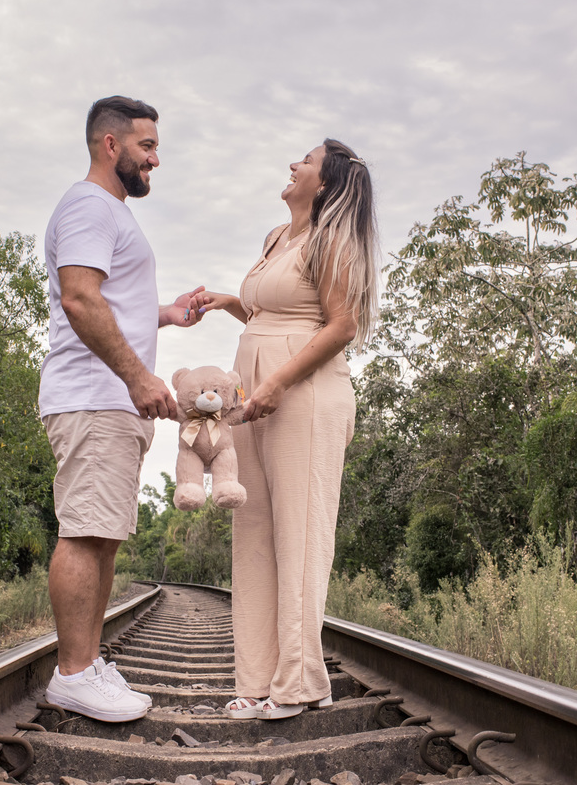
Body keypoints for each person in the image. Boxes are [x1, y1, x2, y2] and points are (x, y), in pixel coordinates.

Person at [189, 139, 379, 719]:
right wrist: (228, 303)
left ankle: (300, 684)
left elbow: (341, 325)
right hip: (252, 394)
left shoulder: (335, 239)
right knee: (253, 533)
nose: (293, 164)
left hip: (306, 394)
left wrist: (276, 384)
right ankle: (255, 681)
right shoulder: (277, 237)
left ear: (324, 183)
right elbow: (275, 316)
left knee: (299, 536)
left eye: (306, 160)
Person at [40, 96, 203, 722]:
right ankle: (74, 674)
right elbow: (80, 300)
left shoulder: (106, 212)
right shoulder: (89, 206)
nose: (155, 159)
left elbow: (106, 298)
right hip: (96, 396)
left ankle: (85, 663)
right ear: (111, 144)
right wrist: (138, 377)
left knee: (102, 536)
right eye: (147, 146)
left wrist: (165, 314)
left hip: (109, 399)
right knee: (85, 532)